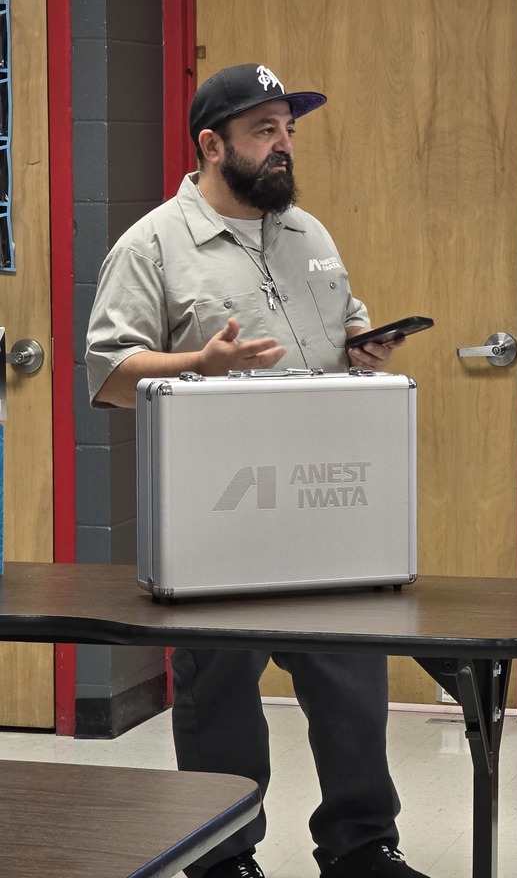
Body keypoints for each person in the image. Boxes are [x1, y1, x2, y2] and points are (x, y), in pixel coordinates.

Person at [86, 63, 429, 878]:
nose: (283, 148)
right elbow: (108, 370)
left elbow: (341, 323)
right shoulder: (153, 244)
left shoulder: (308, 234)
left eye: (289, 131)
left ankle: (362, 847)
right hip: (217, 517)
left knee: (351, 681)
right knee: (220, 695)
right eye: (264, 132)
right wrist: (200, 364)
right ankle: (221, 855)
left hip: (318, 506)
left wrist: (360, 347)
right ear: (212, 144)